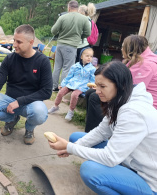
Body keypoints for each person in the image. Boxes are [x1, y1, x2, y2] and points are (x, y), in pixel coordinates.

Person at [48, 61, 157, 195]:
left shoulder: (134, 112)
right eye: (96, 85)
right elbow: (101, 132)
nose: (97, 91)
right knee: (76, 138)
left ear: (120, 85)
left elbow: (110, 158)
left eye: (102, 86)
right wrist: (71, 147)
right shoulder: (119, 99)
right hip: (129, 161)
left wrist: (71, 148)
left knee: (90, 171)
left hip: (148, 179)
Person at [0, 24, 52, 145]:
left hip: (31, 102)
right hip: (9, 99)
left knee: (39, 113)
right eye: (14, 40)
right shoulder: (9, 59)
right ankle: (12, 119)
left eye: (19, 42)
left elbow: (47, 91)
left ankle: (29, 128)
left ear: (31, 42)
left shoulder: (42, 61)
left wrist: (19, 102)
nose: (14, 45)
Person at [84, 35, 157, 132]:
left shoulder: (145, 65)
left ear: (130, 49)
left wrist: (104, 89)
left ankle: (103, 129)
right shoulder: (138, 61)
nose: (122, 49)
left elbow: (132, 89)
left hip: (146, 104)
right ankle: (95, 128)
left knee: (95, 97)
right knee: (90, 93)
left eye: (123, 46)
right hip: (134, 97)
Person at [51, 0, 91, 92]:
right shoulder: (84, 19)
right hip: (72, 46)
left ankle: (53, 87)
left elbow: (53, 31)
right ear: (77, 8)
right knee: (67, 68)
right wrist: (79, 37)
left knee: (57, 67)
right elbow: (88, 33)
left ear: (69, 7)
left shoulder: (62, 17)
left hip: (60, 45)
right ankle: (62, 88)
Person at [48, 47, 96, 121]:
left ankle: (71, 111)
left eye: (91, 56)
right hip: (72, 83)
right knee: (61, 92)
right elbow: (69, 77)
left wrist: (91, 87)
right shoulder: (75, 66)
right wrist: (63, 84)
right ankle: (55, 106)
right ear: (81, 56)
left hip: (82, 86)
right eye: (87, 56)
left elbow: (92, 80)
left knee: (74, 95)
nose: (89, 58)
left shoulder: (92, 69)